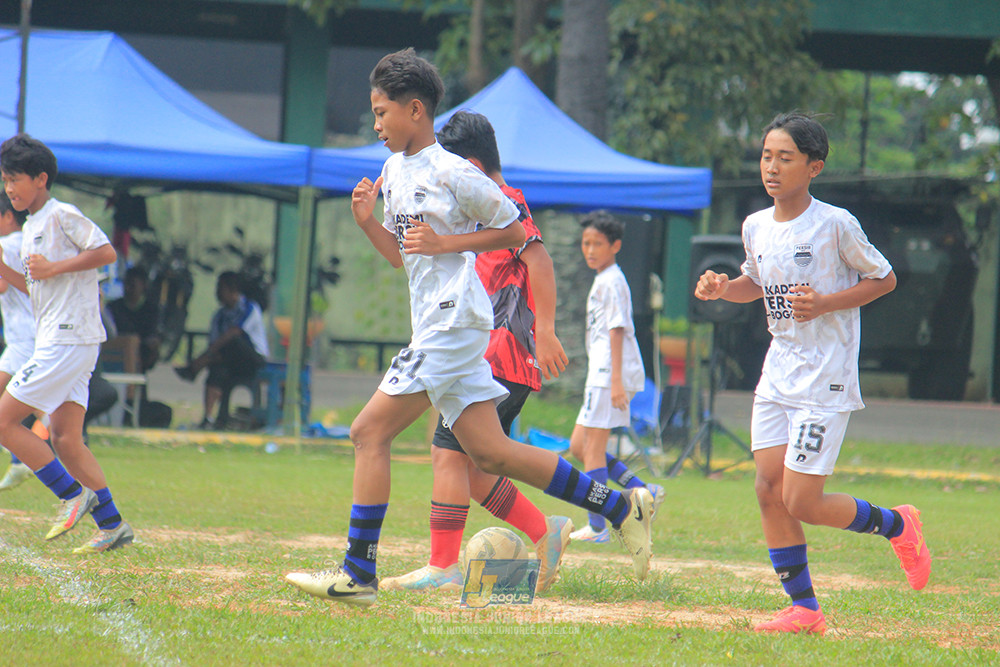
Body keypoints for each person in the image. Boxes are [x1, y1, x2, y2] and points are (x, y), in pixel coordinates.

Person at [285, 48, 653, 608]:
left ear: (415, 110)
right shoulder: (393, 171)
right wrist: (366, 224)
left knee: (367, 432)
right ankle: (618, 505)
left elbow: (515, 233)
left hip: (452, 323)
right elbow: (400, 257)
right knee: (492, 454)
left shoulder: (452, 171)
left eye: (382, 113)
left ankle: (359, 570)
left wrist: (447, 243)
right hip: (440, 323)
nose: (376, 124)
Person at [693, 112, 929, 635]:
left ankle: (897, 524)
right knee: (766, 489)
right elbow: (753, 282)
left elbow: (884, 279)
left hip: (826, 377)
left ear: (814, 167)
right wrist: (722, 287)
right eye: (765, 155)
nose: (771, 167)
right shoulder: (755, 225)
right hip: (777, 374)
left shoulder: (835, 224)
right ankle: (804, 609)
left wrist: (826, 303)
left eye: (785, 157)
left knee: (802, 499)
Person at [379, 110, 572, 594]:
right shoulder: (487, 201)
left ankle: (445, 565)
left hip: (502, 350)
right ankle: (544, 529)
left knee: (455, 455)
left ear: (470, 165)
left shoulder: (503, 200)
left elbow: (538, 258)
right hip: (480, 348)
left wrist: (545, 330)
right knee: (477, 465)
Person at [0, 133, 133, 553]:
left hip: (68, 339)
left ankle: (73, 495)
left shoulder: (61, 215)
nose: (8, 189)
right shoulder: (32, 225)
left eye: (14, 180)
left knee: (3, 421)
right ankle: (112, 525)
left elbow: (106, 251)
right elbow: (34, 287)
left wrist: (54, 266)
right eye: (4, 181)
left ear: (41, 178)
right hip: (59, 338)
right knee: (65, 438)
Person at [568, 211, 665, 543]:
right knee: (578, 445)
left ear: (616, 246)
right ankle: (642, 490)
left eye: (598, 243)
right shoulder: (604, 278)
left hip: (608, 373)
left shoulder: (611, 280)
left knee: (593, 449)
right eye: (586, 243)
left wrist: (616, 382)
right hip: (602, 371)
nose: (590, 250)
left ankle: (597, 528)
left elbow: (617, 329)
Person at [174, 271, 268, 430]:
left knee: (233, 340)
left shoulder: (250, 308)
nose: (218, 293)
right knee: (217, 371)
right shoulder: (219, 316)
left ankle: (196, 366)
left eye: (221, 289)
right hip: (229, 360)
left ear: (233, 290)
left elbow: (236, 332)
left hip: (252, 359)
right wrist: (211, 354)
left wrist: (206, 356)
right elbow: (214, 343)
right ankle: (209, 418)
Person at [0, 190, 36, 491]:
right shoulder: (29, 241)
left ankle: (24, 457)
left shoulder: (5, 244)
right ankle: (18, 459)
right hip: (29, 334)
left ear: (8, 216)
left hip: (23, 337)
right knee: (37, 402)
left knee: (42, 406)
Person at [106, 265, 161, 373]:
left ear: (143, 286)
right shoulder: (113, 307)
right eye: (125, 284)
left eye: (132, 285)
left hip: (141, 351)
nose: (127, 288)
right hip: (114, 350)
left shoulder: (151, 310)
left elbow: (153, 334)